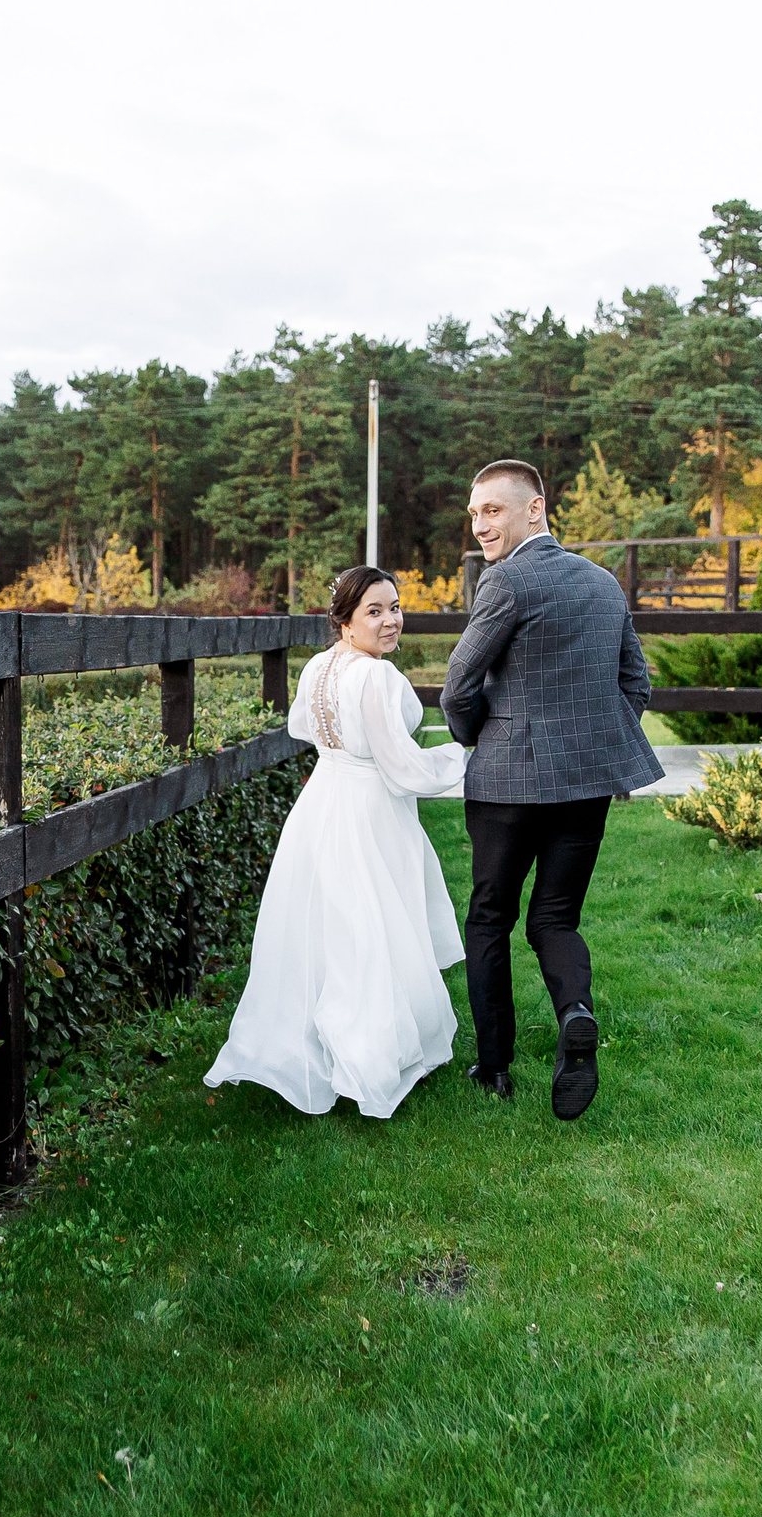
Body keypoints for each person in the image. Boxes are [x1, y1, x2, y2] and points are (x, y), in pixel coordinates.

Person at [205, 566, 469, 1118]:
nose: (391, 621)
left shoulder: (321, 667)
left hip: (323, 801)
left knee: (332, 928)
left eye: (395, 607)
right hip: (370, 809)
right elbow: (400, 767)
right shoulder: (376, 677)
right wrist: (460, 759)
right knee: (375, 927)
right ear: (344, 620)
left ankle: (327, 1048)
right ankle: (369, 1057)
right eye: (374, 611)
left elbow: (305, 727)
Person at [441, 459, 660, 1120]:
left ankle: (494, 1068)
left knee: (489, 918)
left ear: (536, 508)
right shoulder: (602, 583)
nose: (481, 525)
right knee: (555, 918)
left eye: (494, 510)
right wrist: (593, 745)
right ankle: (575, 1012)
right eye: (475, 513)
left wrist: (483, 735)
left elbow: (456, 687)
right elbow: (637, 684)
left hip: (507, 784)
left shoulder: (504, 581)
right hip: (584, 787)